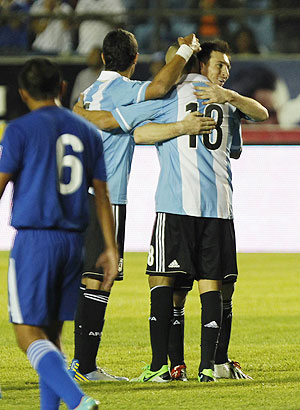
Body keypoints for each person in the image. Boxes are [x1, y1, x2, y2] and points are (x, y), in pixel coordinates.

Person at [108, 39, 268, 382]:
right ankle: (209, 365)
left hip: (176, 205)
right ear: (202, 64)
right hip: (218, 207)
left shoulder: (170, 96)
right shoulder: (226, 103)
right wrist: (230, 103)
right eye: (220, 65)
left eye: (227, 67)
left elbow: (133, 130)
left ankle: (163, 366)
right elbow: (251, 130)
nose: (225, 72)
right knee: (213, 284)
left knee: (165, 281)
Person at [68, 28, 205, 382]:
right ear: (134, 59)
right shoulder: (126, 91)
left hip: (75, 195)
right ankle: (85, 366)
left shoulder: (88, 91)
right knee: (101, 280)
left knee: (90, 278)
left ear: (101, 58)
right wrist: (187, 51)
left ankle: (83, 363)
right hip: (106, 196)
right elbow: (159, 89)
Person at [0, 57, 119, 410]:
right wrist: (110, 248)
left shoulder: (19, 130)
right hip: (74, 244)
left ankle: (78, 400)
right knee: (52, 337)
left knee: (27, 335)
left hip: (36, 240)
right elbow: (102, 194)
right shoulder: (85, 130)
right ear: (63, 88)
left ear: (22, 94)